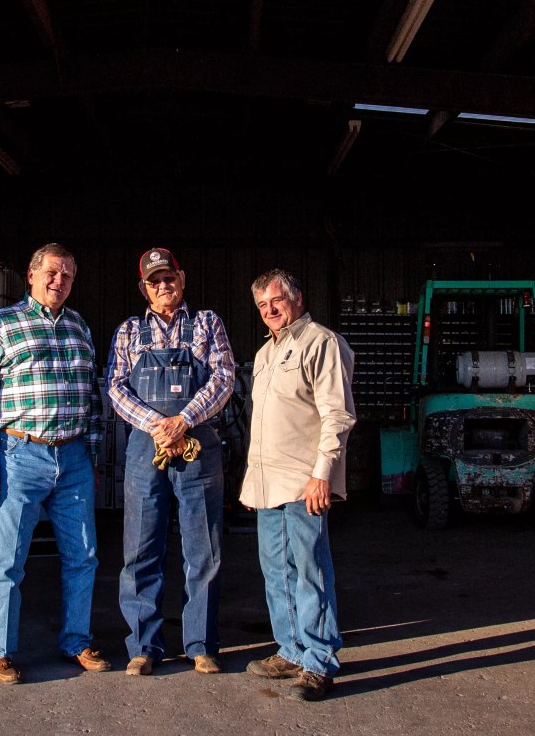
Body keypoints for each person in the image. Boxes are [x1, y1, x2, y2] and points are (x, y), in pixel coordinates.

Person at [0, 243, 109, 685]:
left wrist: (91, 455)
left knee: (83, 557)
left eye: (67, 275)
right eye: (51, 272)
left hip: (74, 456)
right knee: (7, 563)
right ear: (31, 275)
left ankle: (77, 640)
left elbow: (93, 398)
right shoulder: (3, 324)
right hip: (19, 456)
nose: (58, 281)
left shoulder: (80, 326)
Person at [105, 247, 236, 677]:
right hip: (148, 447)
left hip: (198, 442)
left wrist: (184, 420)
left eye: (169, 277)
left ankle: (201, 645)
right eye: (154, 281)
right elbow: (115, 387)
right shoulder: (129, 331)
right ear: (143, 287)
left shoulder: (207, 323)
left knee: (204, 549)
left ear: (182, 279)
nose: (163, 285)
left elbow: (224, 377)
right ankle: (144, 646)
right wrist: (157, 425)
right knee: (141, 548)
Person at [239, 267, 356, 702]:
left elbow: (337, 414)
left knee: (310, 570)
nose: (270, 310)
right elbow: (263, 424)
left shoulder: (321, 343)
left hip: (304, 482)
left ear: (298, 299)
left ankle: (319, 661)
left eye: (277, 301)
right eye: (262, 305)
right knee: (276, 570)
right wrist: (253, 483)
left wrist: (321, 474)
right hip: (268, 484)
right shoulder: (266, 354)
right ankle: (290, 650)